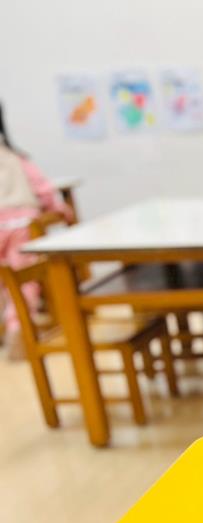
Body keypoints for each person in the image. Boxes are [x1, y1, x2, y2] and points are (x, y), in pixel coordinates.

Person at [0, 102, 72, 359]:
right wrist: (59, 209)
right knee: (24, 282)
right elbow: (44, 189)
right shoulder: (14, 157)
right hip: (21, 226)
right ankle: (17, 329)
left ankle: (10, 327)